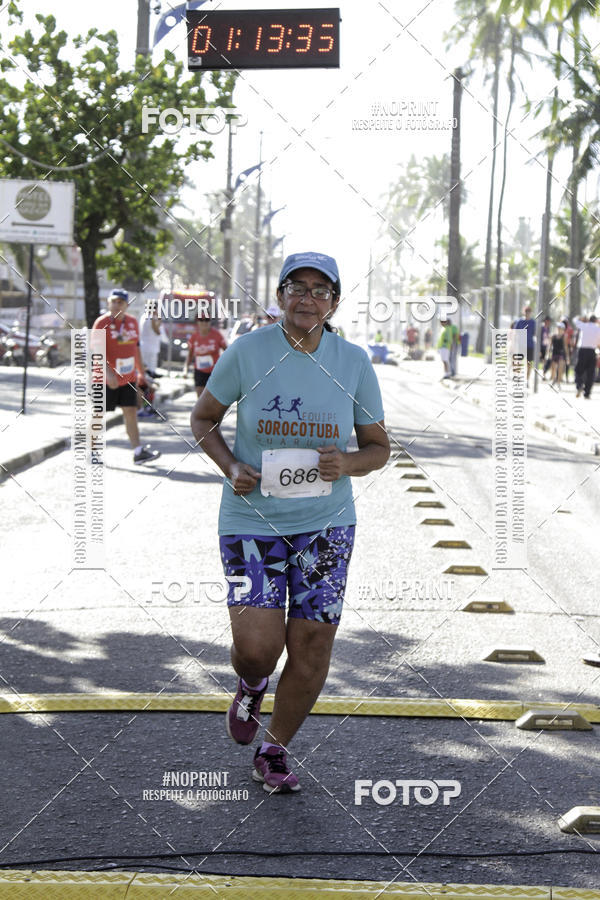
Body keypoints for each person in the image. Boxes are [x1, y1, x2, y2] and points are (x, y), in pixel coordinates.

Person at [190, 251, 390, 793]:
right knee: (259, 647)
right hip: (251, 521)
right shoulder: (248, 353)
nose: (308, 298)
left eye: (320, 290)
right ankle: (252, 682)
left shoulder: (352, 361)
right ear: (279, 297)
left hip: (326, 524)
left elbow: (379, 448)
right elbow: (203, 418)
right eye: (296, 288)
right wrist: (232, 465)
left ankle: (274, 747)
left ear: (334, 302)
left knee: (312, 646)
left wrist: (346, 463)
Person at [92, 289, 161, 464]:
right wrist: (109, 373)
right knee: (99, 414)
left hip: (128, 378)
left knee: (130, 412)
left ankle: (138, 452)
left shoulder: (131, 322)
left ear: (126, 305)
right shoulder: (101, 323)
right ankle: (92, 452)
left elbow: (135, 348)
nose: (116, 305)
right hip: (105, 379)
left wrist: (141, 374)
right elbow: (97, 352)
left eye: (120, 302)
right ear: (108, 303)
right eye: (113, 301)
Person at [184, 313, 227, 398]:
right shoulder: (194, 337)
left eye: (206, 320)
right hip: (199, 371)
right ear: (197, 322)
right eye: (201, 320)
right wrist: (185, 369)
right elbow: (190, 355)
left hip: (214, 372)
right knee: (200, 399)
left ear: (210, 321)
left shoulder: (217, 335)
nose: (204, 323)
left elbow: (227, 351)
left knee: (213, 398)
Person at [573, 314, 600, 398]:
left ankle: (579, 385)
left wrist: (581, 317)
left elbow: (575, 320)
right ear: (596, 320)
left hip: (583, 351)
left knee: (578, 370)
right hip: (592, 351)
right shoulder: (598, 329)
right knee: (590, 373)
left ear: (588, 320)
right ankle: (587, 392)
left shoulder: (584, 326)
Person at [514, 305, 536, 385]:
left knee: (529, 363)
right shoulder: (520, 321)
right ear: (524, 312)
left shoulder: (533, 322)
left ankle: (527, 380)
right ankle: (518, 377)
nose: (528, 313)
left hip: (530, 345)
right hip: (521, 345)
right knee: (518, 362)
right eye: (526, 311)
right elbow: (515, 333)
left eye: (529, 312)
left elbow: (535, 333)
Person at [547, 322, 568, 388]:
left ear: (563, 329)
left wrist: (567, 357)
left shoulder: (564, 337)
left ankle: (558, 382)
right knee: (553, 368)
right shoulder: (553, 336)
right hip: (554, 353)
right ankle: (553, 380)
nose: (559, 329)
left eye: (560, 328)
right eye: (558, 328)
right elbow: (549, 346)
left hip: (561, 353)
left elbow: (565, 347)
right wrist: (547, 354)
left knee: (560, 368)